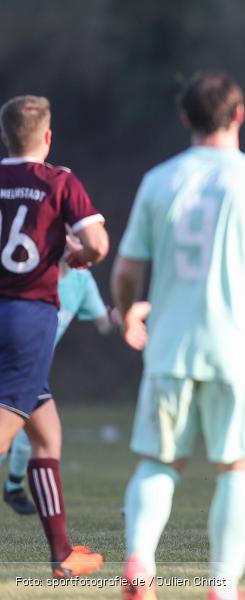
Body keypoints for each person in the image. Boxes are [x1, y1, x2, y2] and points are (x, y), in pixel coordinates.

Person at [112, 71, 245, 600]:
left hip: (171, 344)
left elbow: (125, 271)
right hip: (241, 348)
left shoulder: (160, 179)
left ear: (185, 117)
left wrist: (127, 311)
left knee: (159, 462)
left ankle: (140, 561)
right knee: (237, 469)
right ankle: (221, 587)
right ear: (239, 115)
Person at [0, 95, 108, 577]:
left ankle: (62, 553)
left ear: (6, 137)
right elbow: (99, 244)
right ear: (47, 137)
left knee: (46, 435)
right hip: (27, 316)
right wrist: (82, 256)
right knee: (5, 432)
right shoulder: (58, 180)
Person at [3, 245, 127, 516]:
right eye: (73, 234)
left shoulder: (82, 280)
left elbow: (103, 323)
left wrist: (118, 318)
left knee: (42, 434)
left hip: (32, 371)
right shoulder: (28, 269)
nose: (80, 243)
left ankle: (16, 490)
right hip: (10, 364)